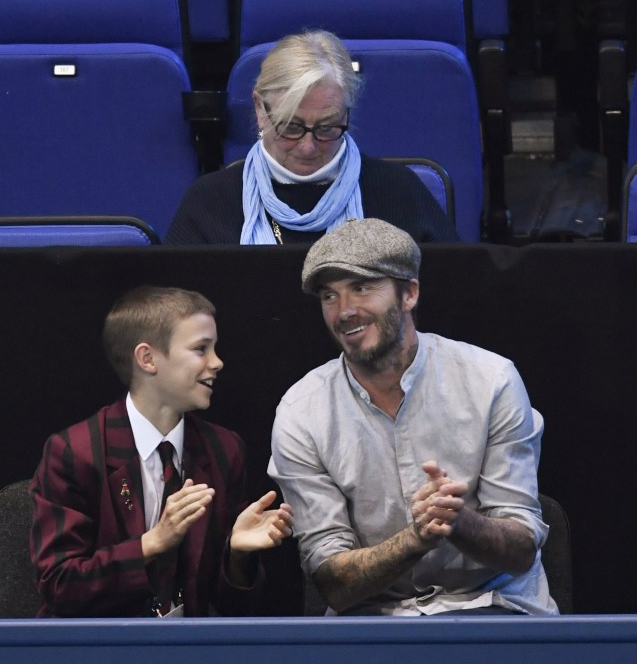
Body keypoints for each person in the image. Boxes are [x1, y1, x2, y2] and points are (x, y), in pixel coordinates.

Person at [268, 219, 557, 616]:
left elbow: (521, 549)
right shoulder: (301, 412)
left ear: (409, 294)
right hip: (374, 621)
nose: (345, 311)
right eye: (329, 296)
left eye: (363, 288)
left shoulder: (491, 380)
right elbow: (331, 581)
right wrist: (416, 538)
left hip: (492, 605)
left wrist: (458, 522)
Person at [30, 286, 293, 617]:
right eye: (201, 349)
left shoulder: (223, 450)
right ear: (147, 358)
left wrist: (236, 554)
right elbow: (60, 585)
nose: (217, 362)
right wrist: (151, 544)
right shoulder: (75, 452)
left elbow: (229, 605)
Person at [165, 30, 459, 245]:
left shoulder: (399, 193)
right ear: (259, 109)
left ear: (347, 115)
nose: (307, 147)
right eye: (291, 127)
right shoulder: (210, 203)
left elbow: (450, 300)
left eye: (326, 128)